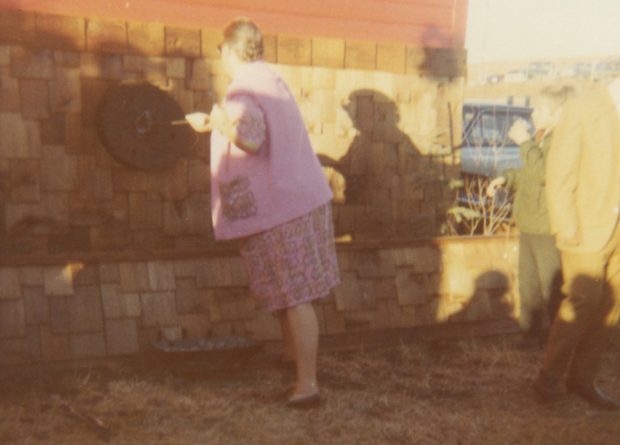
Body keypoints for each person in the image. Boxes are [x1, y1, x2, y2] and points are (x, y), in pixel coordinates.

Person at [185, 18, 340, 408]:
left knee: (295, 293)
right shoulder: (270, 79)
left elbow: (250, 139)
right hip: (300, 199)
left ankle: (307, 385)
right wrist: (216, 126)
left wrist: (219, 120)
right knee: (291, 290)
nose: (220, 57)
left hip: (284, 205)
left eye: (221, 50)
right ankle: (293, 360)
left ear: (232, 51)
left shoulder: (243, 90)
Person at [533, 76, 620, 411]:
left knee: (611, 306)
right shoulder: (584, 108)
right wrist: (566, 225)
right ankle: (548, 380)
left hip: (617, 230)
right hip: (585, 227)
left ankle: (583, 380)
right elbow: (560, 172)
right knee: (583, 299)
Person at [487, 87, 573, 347]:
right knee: (529, 285)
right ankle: (530, 335)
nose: (534, 114)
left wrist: (524, 142)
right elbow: (530, 174)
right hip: (529, 223)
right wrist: (507, 178)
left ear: (557, 113)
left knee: (550, 287)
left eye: (540, 110)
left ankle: (556, 340)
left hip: (547, 226)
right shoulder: (541, 136)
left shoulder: (562, 139)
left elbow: (546, 174)